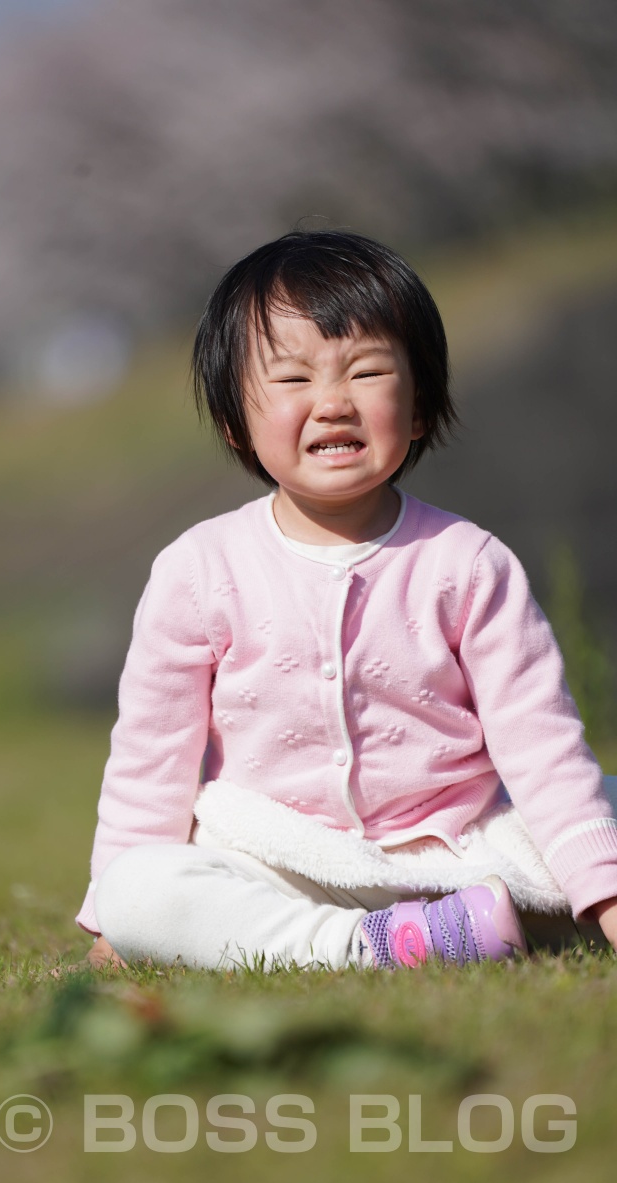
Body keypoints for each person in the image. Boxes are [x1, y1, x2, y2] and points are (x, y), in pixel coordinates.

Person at [76, 230, 617, 972]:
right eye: (294, 381)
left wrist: (604, 890)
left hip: (465, 847)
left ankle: (479, 920)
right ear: (235, 420)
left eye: (365, 372)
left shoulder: (469, 563)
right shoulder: (198, 569)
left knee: (597, 810)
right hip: (280, 865)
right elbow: (151, 760)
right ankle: (361, 947)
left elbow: (542, 749)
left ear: (421, 406)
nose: (332, 403)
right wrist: (114, 921)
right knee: (140, 889)